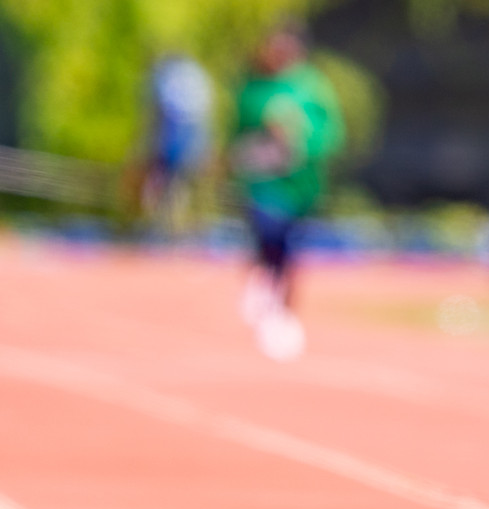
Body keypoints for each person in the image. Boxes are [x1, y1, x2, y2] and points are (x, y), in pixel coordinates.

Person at [229, 25, 345, 361]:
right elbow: (239, 134)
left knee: (290, 250)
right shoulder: (253, 87)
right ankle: (266, 294)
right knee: (267, 234)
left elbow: (332, 133)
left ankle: (283, 309)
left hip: (301, 184)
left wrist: (299, 140)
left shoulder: (313, 87)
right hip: (263, 184)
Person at [140, 53, 213, 235]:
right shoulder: (195, 76)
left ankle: (168, 229)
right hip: (189, 138)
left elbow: (156, 115)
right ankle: (177, 229)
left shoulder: (165, 78)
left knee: (166, 186)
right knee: (181, 188)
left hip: (171, 138)